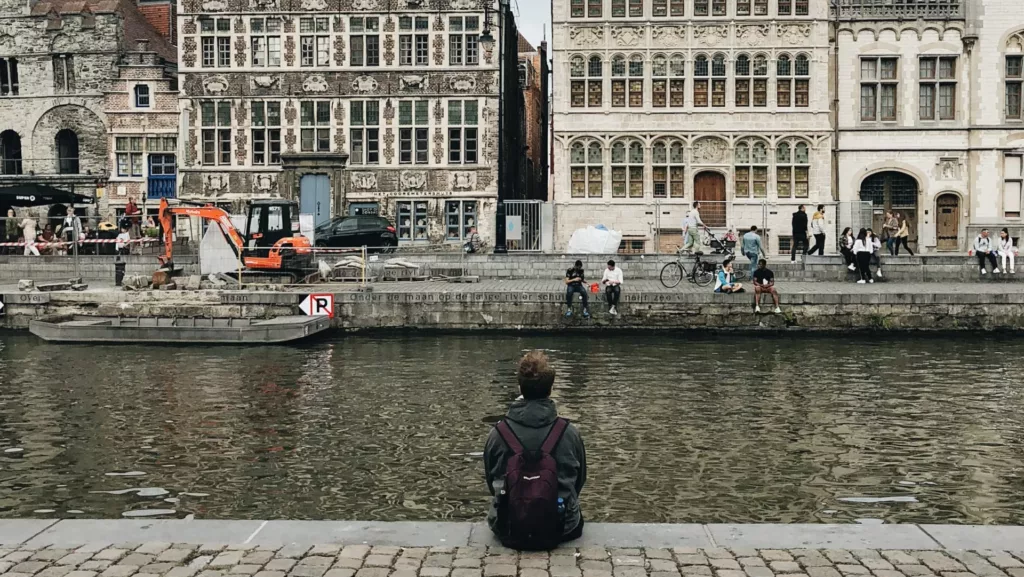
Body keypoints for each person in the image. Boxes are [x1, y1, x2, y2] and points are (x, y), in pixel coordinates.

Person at [484, 351, 587, 549]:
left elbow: (491, 479)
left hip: (508, 525)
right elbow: (579, 480)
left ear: (519, 387)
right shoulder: (569, 433)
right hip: (562, 525)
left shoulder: (498, 433)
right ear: (550, 389)